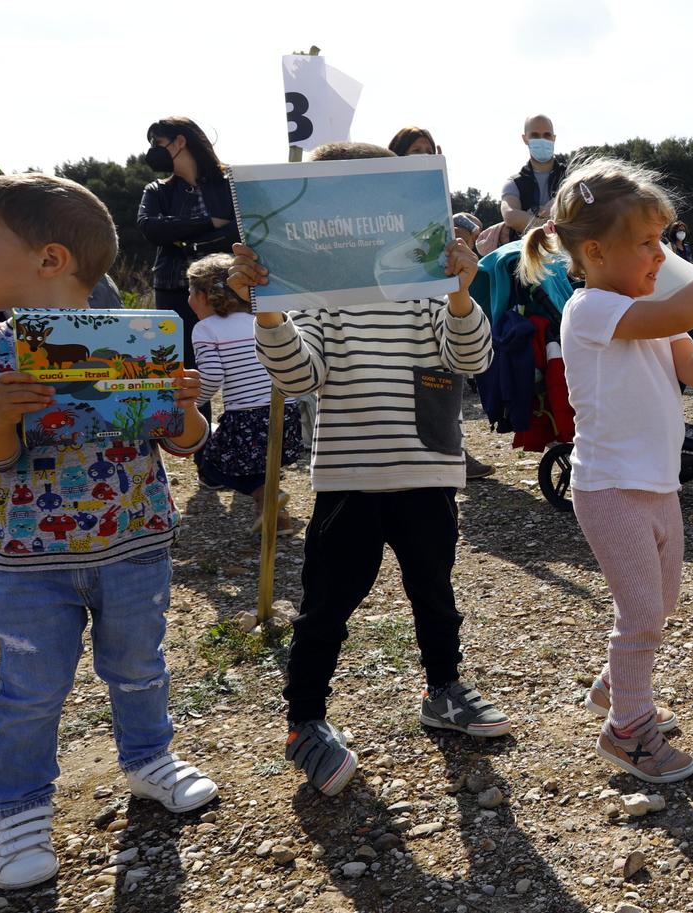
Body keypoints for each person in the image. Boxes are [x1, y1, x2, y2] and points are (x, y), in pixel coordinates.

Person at [0, 174, 218, 890]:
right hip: (27, 560)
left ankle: (149, 757)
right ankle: (21, 812)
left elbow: (181, 443)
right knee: (29, 688)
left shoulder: (136, 342)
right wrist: (3, 411)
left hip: (135, 544)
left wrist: (183, 404)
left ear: (51, 258)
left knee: (139, 664)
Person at [230, 141, 506, 799]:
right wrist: (268, 307)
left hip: (429, 469)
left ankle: (444, 689)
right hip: (349, 478)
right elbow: (302, 373)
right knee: (326, 605)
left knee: (435, 592)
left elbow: (472, 361)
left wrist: (463, 295)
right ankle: (304, 723)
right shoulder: (319, 298)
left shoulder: (427, 285)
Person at [516, 158, 693, 783]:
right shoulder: (593, 308)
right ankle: (627, 731)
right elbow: (677, 312)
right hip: (609, 488)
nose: (660, 256)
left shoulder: (644, 306)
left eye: (662, 242)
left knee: (662, 601)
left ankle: (616, 686)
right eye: (648, 244)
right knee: (640, 615)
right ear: (596, 252)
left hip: (655, 485)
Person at [390, 126, 496, 478]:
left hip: (438, 300)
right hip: (399, 304)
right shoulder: (387, 205)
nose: (423, 155)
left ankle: (453, 451)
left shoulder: (438, 203)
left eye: (428, 150)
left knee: (445, 377)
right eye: (414, 150)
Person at [186, 254, 301, 537]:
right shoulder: (259, 319)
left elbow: (212, 375)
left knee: (212, 464)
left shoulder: (205, 329)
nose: (188, 299)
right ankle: (277, 517)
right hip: (286, 412)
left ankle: (266, 496)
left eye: (189, 292)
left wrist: (193, 404)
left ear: (202, 296)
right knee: (262, 463)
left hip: (248, 417)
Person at [136, 117, 236, 370]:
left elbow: (241, 230)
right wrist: (209, 222)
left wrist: (188, 241)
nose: (152, 151)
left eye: (157, 142)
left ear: (180, 141)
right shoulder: (157, 190)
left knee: (240, 365)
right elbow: (150, 228)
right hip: (175, 290)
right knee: (185, 370)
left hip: (230, 287)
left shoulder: (231, 183)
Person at [478, 114, 564, 254]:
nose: (542, 139)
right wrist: (552, 226)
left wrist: (530, 218)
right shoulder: (514, 183)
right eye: (535, 135)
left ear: (554, 138)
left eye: (547, 135)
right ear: (525, 139)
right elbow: (511, 215)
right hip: (528, 259)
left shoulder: (572, 176)